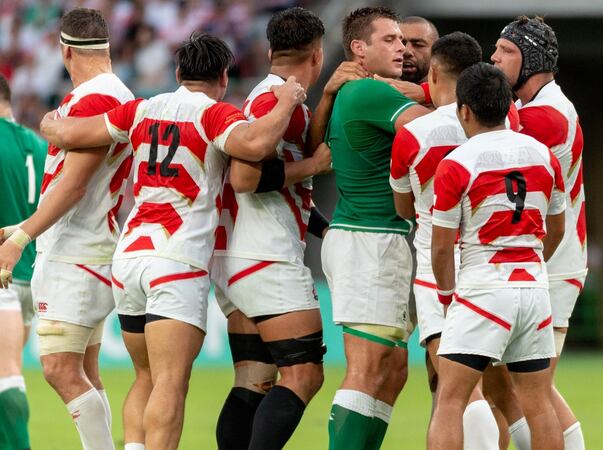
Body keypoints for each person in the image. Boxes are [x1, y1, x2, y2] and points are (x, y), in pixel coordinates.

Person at [38, 33, 307, 450]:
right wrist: (288, 100)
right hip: (175, 261)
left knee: (144, 377)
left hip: (129, 259)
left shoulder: (142, 109)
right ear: (223, 76)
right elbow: (256, 144)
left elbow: (70, 134)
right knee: (170, 382)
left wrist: (50, 120)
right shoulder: (216, 115)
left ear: (179, 72)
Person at [0, 9, 135, 449]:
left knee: (59, 369)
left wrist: (22, 238)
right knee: (87, 372)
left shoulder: (94, 99)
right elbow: (82, 187)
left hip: (74, 256)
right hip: (93, 246)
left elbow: (74, 185)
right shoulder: (118, 93)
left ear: (66, 51)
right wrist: (22, 225)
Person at [391, 31, 527, 450]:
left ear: (432, 72)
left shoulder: (413, 133)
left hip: (440, 269)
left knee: (456, 392)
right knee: (504, 389)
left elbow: (403, 207)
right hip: (496, 265)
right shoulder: (511, 123)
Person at [211, 7, 334, 449]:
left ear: (269, 51)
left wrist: (324, 228)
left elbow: (285, 192)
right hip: (265, 257)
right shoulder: (275, 100)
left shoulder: (269, 96)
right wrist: (312, 165)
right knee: (304, 374)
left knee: (253, 380)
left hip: (236, 256)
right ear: (318, 55)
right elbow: (246, 180)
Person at [427, 62, 565, 450]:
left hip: (483, 288)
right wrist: (533, 263)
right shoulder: (543, 156)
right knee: (538, 404)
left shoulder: (456, 163)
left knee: (450, 400)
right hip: (533, 288)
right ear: (508, 106)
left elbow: (441, 246)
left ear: (464, 110)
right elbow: (557, 230)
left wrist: (445, 295)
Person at [310, 6, 430, 449]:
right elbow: (434, 132)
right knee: (366, 368)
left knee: (393, 369)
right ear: (358, 49)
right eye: (390, 40)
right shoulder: (370, 93)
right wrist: (464, 97)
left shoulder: (363, 91)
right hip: (369, 241)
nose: (402, 47)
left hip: (379, 239)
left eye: (404, 40)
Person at [491, 15, 587, 450]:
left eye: (506, 51)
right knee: (506, 389)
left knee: (531, 390)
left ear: (532, 59)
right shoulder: (536, 109)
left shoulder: (547, 116)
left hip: (552, 265)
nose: (494, 58)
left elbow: (472, 124)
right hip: (536, 263)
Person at [0, 74, 46, 450]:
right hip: (32, 276)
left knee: (4, 376)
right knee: (8, 372)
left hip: (1, 270)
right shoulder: (38, 145)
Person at [399, 16, 438, 85]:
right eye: (401, 43)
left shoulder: (456, 92)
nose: (407, 52)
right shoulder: (377, 91)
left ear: (436, 51)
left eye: (418, 45)